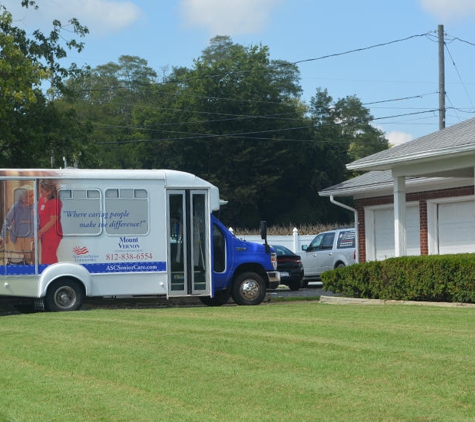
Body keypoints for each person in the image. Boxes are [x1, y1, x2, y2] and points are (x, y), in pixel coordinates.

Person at [0, 185, 35, 264]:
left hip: (30, 238)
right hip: (17, 239)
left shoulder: (35, 207)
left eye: (33, 195)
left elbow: (38, 222)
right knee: (17, 260)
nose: (33, 198)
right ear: (23, 198)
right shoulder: (15, 207)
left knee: (29, 259)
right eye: (30, 196)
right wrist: (2, 236)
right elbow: (7, 221)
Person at [38, 180, 62, 264]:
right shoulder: (41, 200)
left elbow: (53, 220)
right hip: (44, 233)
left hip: (53, 233)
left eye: (42, 191)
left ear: (49, 191)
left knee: (49, 256)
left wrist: (40, 231)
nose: (41, 193)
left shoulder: (55, 202)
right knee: (45, 255)